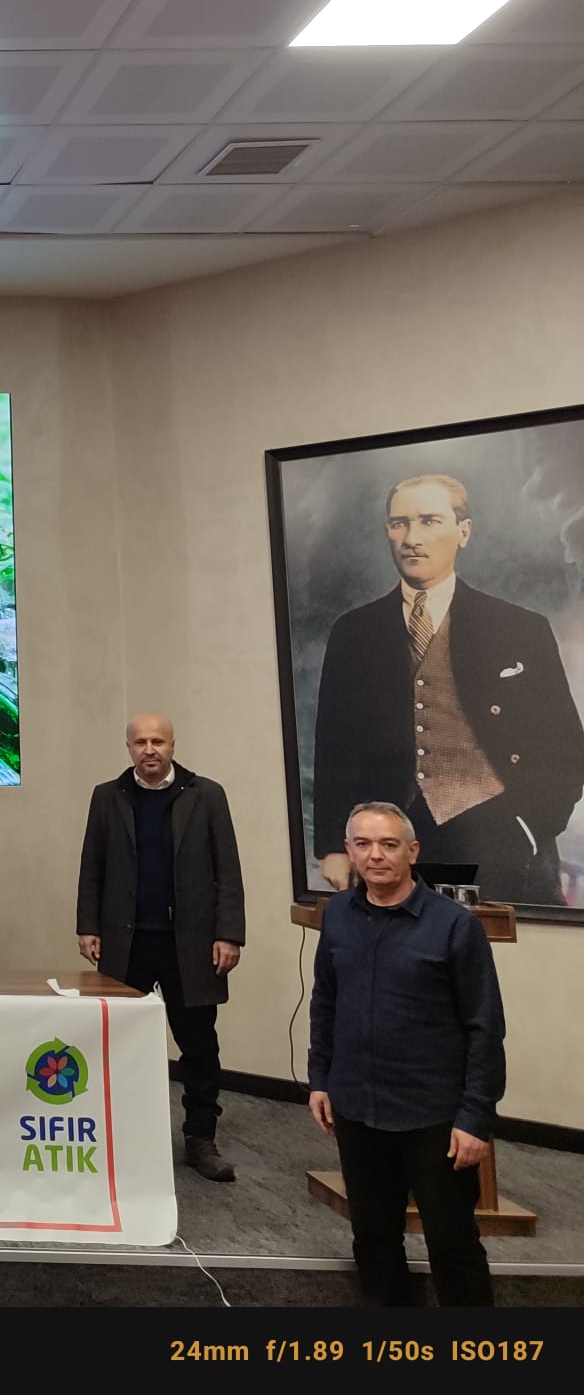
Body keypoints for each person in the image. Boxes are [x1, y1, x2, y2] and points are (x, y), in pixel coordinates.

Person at [313, 473, 584, 906]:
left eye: (429, 520)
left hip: (501, 840)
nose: (411, 538)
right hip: (392, 844)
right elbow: (334, 747)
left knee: (498, 947)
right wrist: (333, 844)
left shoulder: (520, 628)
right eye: (399, 523)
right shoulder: (354, 632)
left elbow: (566, 745)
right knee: (397, 947)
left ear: (464, 531)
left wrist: (531, 826)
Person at [309, 801, 505, 1308]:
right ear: (349, 850)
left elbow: (484, 1027)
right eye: (363, 844)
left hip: (434, 1118)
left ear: (412, 852)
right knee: (373, 1239)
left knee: (452, 1245)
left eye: (388, 844)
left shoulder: (454, 926)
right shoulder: (337, 917)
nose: (375, 855)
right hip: (357, 1108)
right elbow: (326, 1001)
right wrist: (320, 1079)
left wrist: (475, 1119)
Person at [76, 715, 246, 1182]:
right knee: (119, 1043)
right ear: (128, 747)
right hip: (126, 941)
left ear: (173, 745)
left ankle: (200, 1138)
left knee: (198, 1046)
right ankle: (123, 1135)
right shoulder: (107, 796)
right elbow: (92, 866)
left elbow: (228, 870)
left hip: (190, 945)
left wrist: (229, 933)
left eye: (158, 741)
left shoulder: (206, 795)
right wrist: (88, 926)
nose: (149, 749)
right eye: (140, 742)